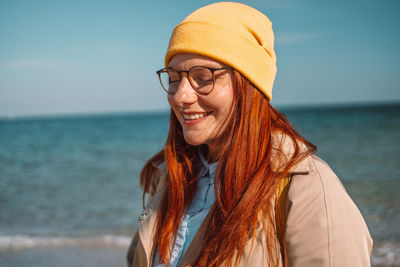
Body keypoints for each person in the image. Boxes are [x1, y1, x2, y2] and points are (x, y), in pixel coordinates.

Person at [127, 2, 373, 267]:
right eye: (174, 78)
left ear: (250, 85)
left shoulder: (306, 188)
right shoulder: (168, 179)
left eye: (203, 77)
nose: (180, 95)